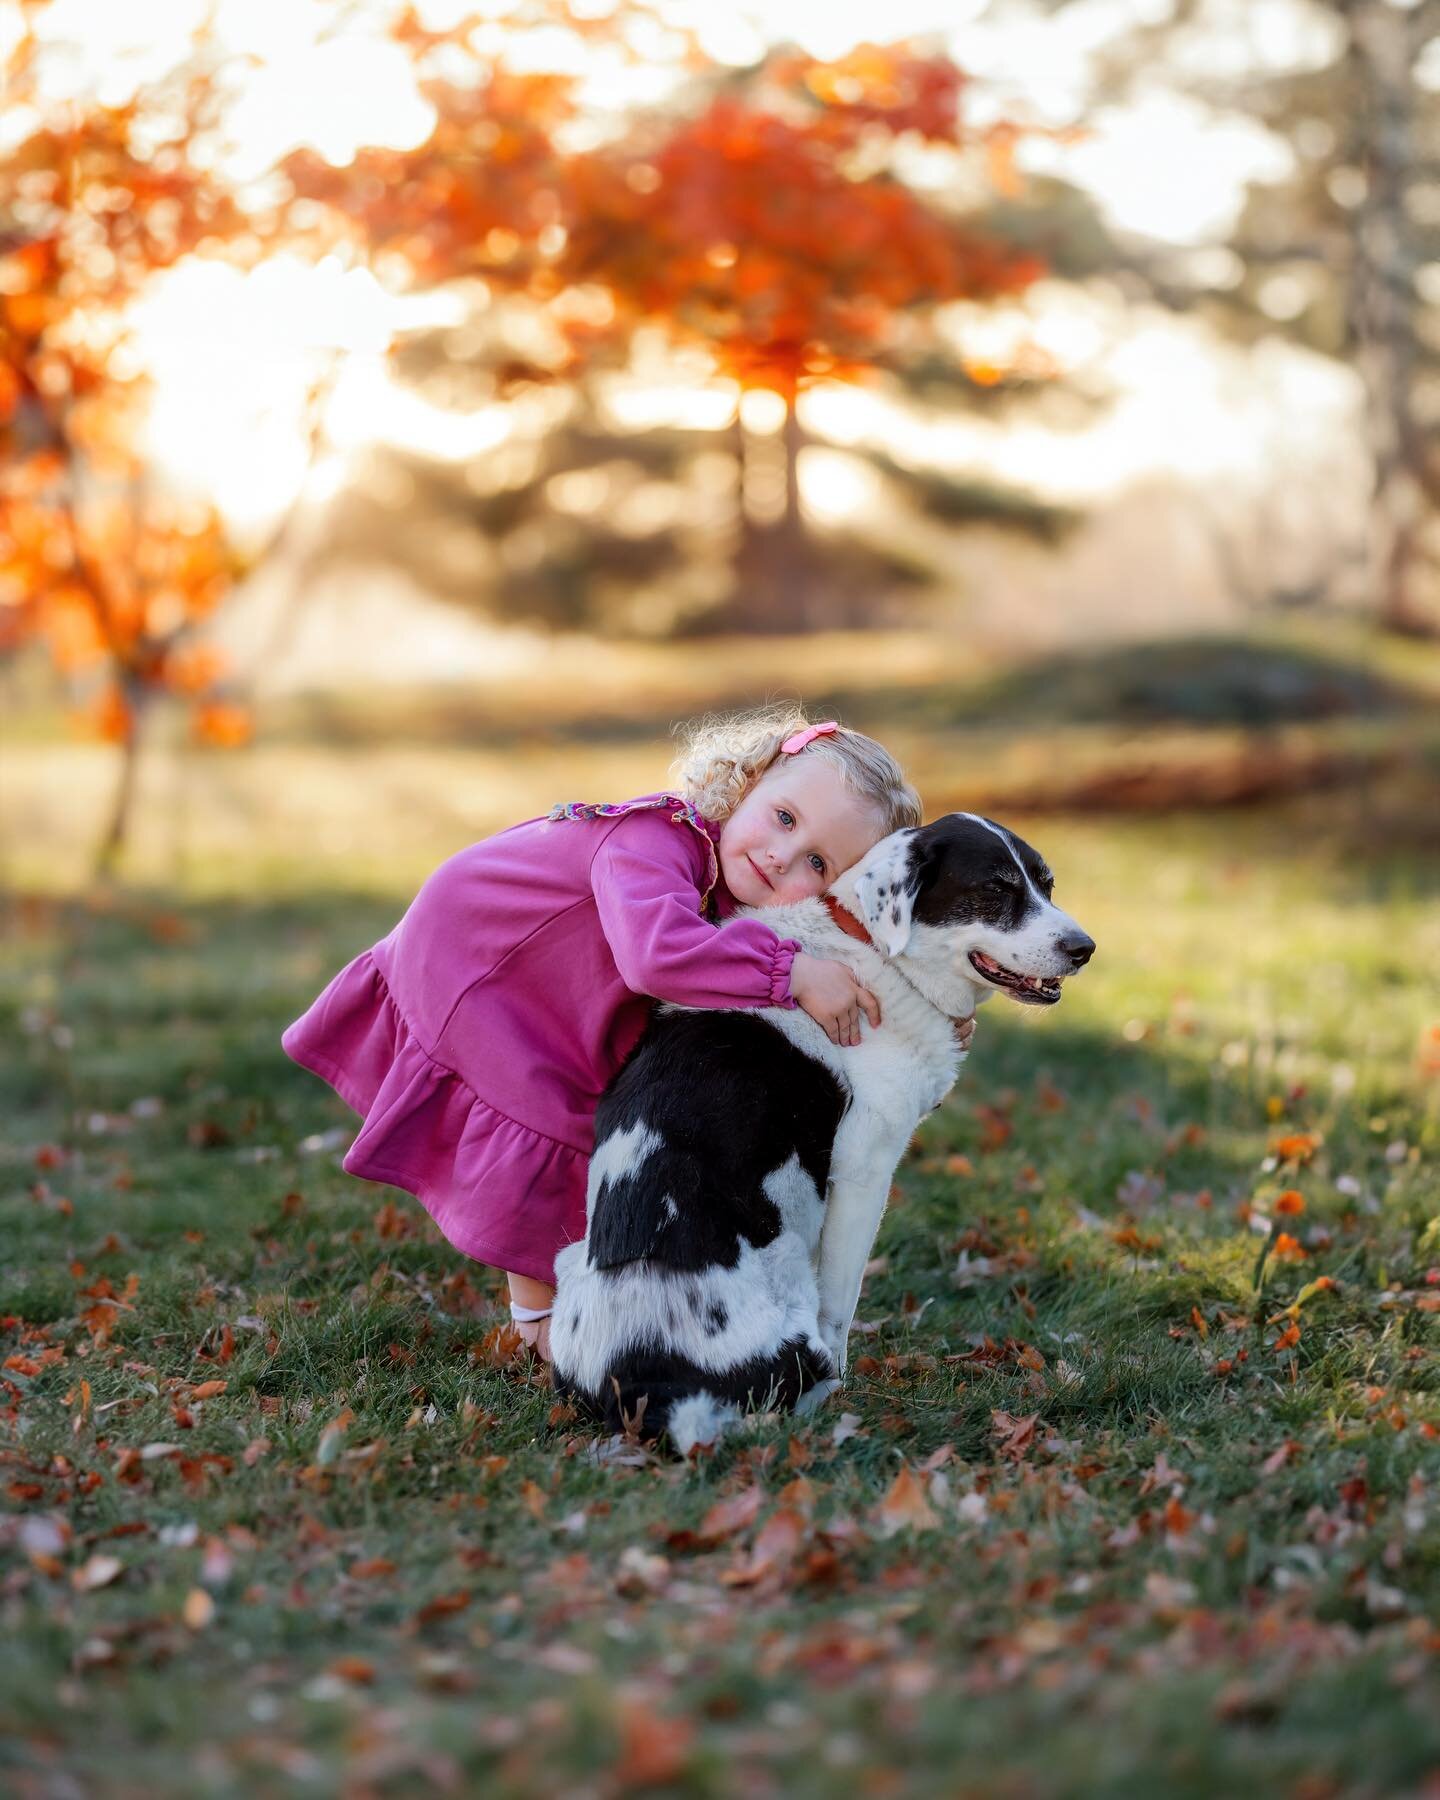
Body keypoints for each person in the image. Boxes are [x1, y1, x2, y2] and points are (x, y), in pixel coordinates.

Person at [282, 708, 934, 1363]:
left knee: (600, 1114)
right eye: (784, 818)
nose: (780, 855)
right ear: (750, 781)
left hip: (546, 982)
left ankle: (594, 1301)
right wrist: (790, 974)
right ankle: (541, 1322)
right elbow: (658, 956)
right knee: (558, 1123)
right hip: (480, 959)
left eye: (816, 863)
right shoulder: (652, 841)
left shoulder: (719, 869)